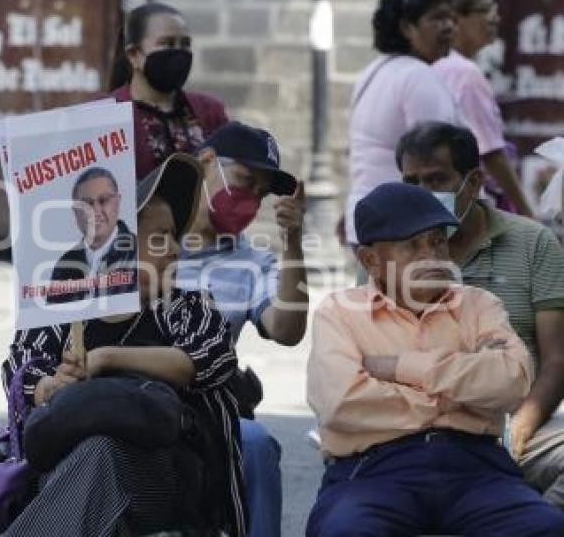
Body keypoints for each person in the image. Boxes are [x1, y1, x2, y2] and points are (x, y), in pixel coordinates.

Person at [2, 153, 246, 536]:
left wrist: (106, 359)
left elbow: (207, 360)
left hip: (168, 478)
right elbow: (20, 370)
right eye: (160, 237)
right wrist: (51, 386)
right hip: (65, 470)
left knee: (100, 454)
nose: (174, 250)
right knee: (92, 460)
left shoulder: (187, 305)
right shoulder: (63, 309)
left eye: (174, 236)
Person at [306, 181, 564, 536]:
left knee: (546, 527)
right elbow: (342, 403)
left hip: (477, 468)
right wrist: (460, 399)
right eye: (412, 245)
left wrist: (400, 368)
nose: (431, 255)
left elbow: (514, 380)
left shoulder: (478, 304)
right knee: (346, 530)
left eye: (438, 241)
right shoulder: (339, 313)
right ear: (370, 261)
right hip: (372, 472)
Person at [397, 121, 564, 508]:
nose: (423, 195)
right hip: (411, 432)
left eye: (436, 180)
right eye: (411, 183)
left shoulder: (532, 244)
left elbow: (557, 359)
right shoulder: (388, 249)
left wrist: (518, 431)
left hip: (514, 428)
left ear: (473, 183)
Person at [176, 121, 307, 537]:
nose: (251, 200)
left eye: (261, 193)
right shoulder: (145, 240)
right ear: (207, 163)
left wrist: (294, 243)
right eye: (245, 182)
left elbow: (286, 329)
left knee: (255, 444)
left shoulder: (254, 263)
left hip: (209, 410)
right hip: (133, 398)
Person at [342, 0, 459, 245]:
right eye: (438, 18)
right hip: (405, 233)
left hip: (369, 224)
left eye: (451, 18)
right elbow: (436, 164)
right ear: (407, 27)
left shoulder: (375, 71)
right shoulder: (419, 78)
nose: (449, 27)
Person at [433, 0, 533, 217]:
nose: (495, 17)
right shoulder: (465, 73)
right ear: (456, 19)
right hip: (466, 207)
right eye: (486, 9)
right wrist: (528, 215)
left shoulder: (437, 64)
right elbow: (492, 155)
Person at [108, 2, 228, 179]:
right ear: (134, 55)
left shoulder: (211, 112)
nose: (179, 53)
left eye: (185, 44)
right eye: (167, 44)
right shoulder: (104, 115)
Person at [47, 167, 137, 304]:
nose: (95, 211)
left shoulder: (138, 253)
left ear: (117, 203)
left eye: (104, 200)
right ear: (76, 212)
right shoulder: (64, 265)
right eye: (86, 204)